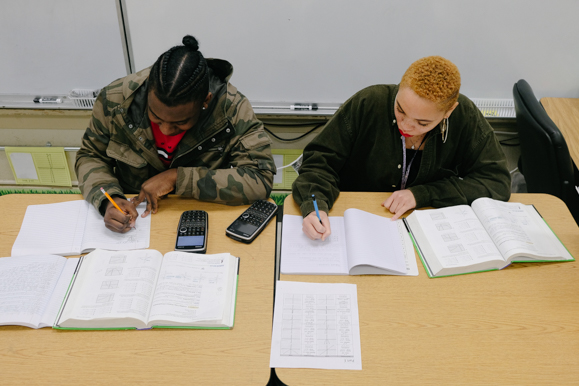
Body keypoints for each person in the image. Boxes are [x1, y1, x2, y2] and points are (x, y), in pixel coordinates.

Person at [292, 56, 511, 241]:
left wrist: (425, 194)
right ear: (399, 88)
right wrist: (315, 205)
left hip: (427, 234)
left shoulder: (465, 117)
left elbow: (495, 181)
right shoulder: (368, 103)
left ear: (449, 111)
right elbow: (318, 163)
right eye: (400, 110)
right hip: (354, 226)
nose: (406, 126)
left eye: (422, 123)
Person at [76, 35, 276, 233]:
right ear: (147, 95)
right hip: (135, 216)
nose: (166, 130)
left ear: (205, 101)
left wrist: (178, 178)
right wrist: (109, 200)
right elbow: (91, 156)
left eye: (180, 123)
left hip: (198, 217)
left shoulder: (231, 109)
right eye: (156, 117)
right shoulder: (117, 99)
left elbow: (259, 179)